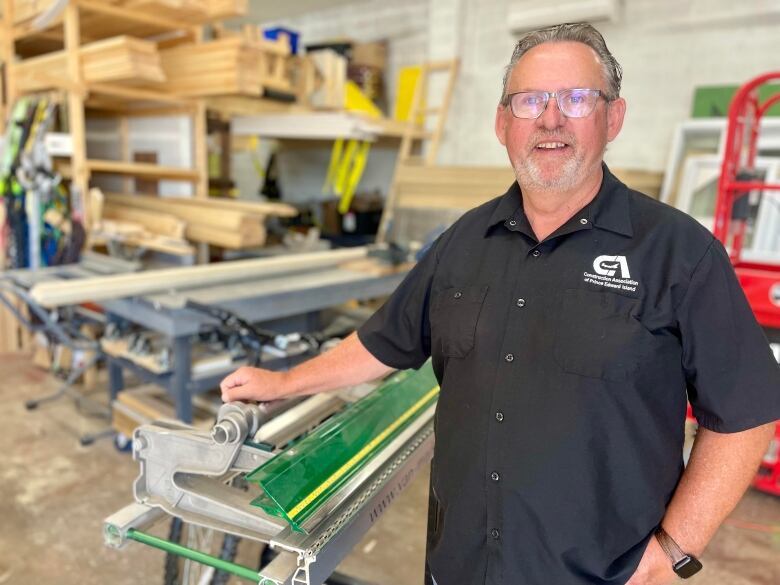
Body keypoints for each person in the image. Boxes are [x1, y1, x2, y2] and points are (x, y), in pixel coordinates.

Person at [221, 23, 780, 585]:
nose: (551, 118)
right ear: (502, 123)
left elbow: (746, 414)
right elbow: (384, 341)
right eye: (530, 100)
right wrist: (284, 382)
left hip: (598, 575)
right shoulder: (463, 242)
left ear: (613, 118)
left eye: (577, 98)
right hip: (459, 565)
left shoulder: (679, 253)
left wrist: (672, 550)